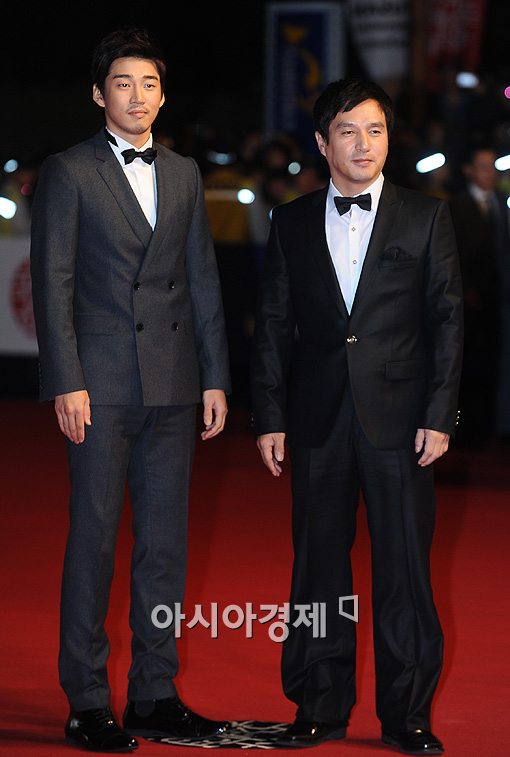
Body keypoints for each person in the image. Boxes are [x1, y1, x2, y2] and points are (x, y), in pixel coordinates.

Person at [30, 27, 231, 753]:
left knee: (165, 547)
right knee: (94, 540)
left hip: (174, 383)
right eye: (123, 83)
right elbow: (53, 282)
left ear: (163, 95)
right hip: (102, 386)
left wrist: (215, 375)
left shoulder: (183, 172)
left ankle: (154, 692)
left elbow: (202, 277)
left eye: (149, 84)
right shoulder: (68, 171)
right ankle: (86, 699)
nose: (138, 96)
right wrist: (67, 380)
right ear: (98, 94)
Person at [250, 78, 463, 755]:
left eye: (375, 130)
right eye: (348, 131)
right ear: (323, 143)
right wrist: (269, 414)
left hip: (402, 422)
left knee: (405, 569)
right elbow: (273, 323)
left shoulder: (426, 216)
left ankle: (408, 715)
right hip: (316, 418)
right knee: (317, 567)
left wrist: (440, 413)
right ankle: (319, 703)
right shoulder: (290, 220)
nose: (363, 143)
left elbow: (448, 321)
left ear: (388, 139)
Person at [450, 145, 510, 444]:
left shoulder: (502, 203)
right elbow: (453, 255)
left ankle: (493, 425)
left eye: (493, 166)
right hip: (469, 301)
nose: (491, 173)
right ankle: (468, 427)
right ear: (469, 170)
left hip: (500, 299)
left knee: (497, 362)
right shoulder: (456, 208)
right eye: (484, 166)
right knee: (470, 364)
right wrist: (467, 290)